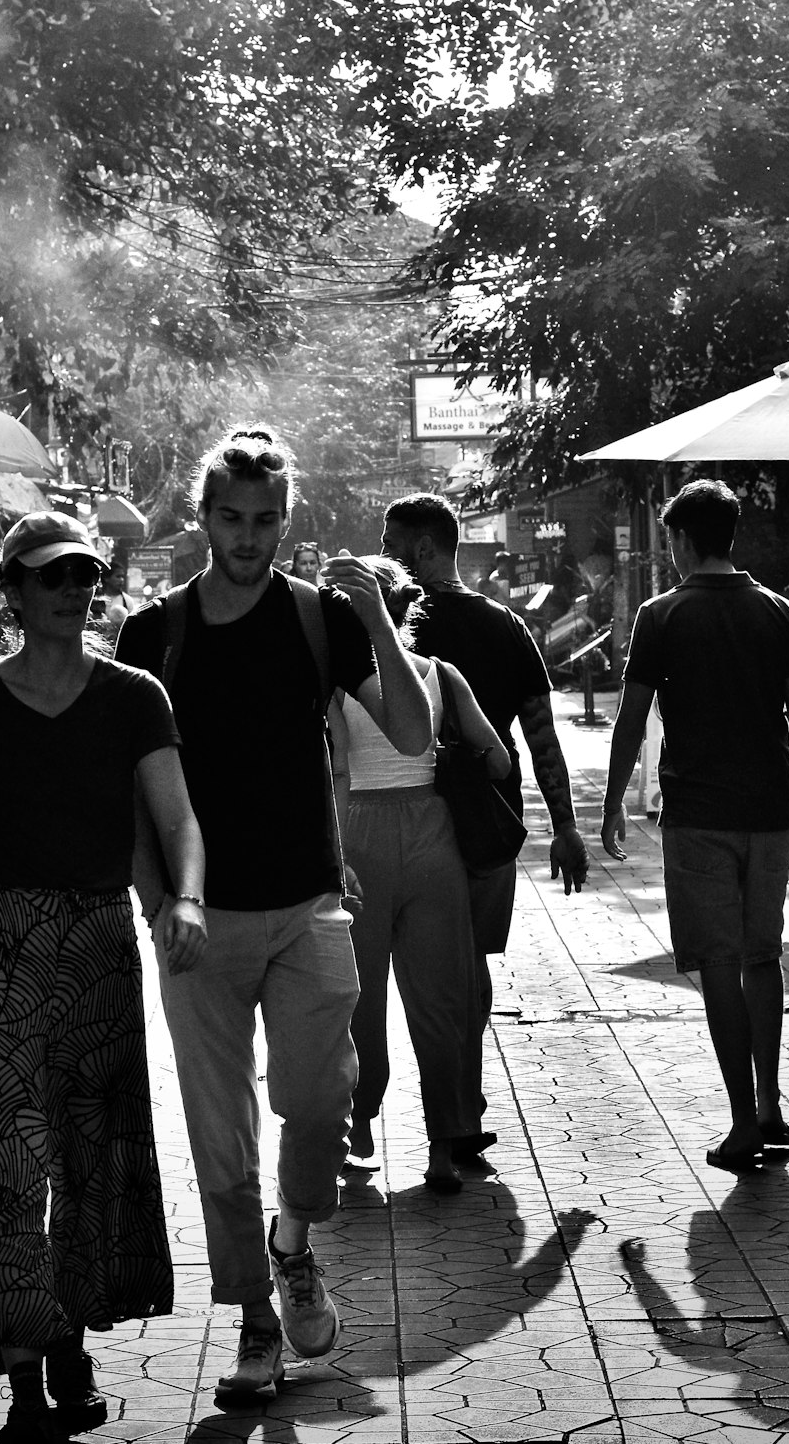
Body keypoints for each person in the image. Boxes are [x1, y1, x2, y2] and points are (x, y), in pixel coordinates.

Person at [115, 426, 431, 1408]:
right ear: (204, 518)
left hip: (307, 905)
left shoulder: (317, 618)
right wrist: (158, 899)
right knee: (220, 1139)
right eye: (231, 518)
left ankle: (292, 1240)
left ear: (285, 520)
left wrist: (377, 619)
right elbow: (128, 792)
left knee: (323, 1099)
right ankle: (257, 1318)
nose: (247, 537)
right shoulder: (153, 635)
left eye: (265, 519)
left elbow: (415, 732)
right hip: (198, 922)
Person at [0, 512, 207, 1444]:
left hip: (96, 940)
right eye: (51, 577)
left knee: (87, 1153)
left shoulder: (134, 696)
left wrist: (187, 897)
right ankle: (24, 1372)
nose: (72, 591)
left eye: (82, 575)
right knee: (3, 1160)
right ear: (15, 593)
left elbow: (177, 820)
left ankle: (69, 1337)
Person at [600, 478, 789, 1172]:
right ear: (732, 535)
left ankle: (741, 1122)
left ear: (680, 538)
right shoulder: (781, 613)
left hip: (698, 816)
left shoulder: (661, 614)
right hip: (769, 812)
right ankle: (769, 1104)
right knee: (763, 958)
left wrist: (614, 801)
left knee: (720, 965)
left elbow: (631, 716)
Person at [380, 493, 588, 1167]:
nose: (384, 552)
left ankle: (453, 1113)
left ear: (423, 549)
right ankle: (464, 1109)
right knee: (468, 967)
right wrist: (566, 827)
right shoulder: (506, 626)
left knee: (435, 977)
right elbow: (540, 734)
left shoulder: (389, 632)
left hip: (416, 820)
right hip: (491, 820)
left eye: (392, 541)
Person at [338, 556, 511, 1192]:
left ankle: (356, 1121)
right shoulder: (438, 676)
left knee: (357, 997)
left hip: (355, 837)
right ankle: (445, 1141)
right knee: (443, 1000)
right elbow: (496, 760)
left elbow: (327, 767)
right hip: (433, 837)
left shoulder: (335, 684)